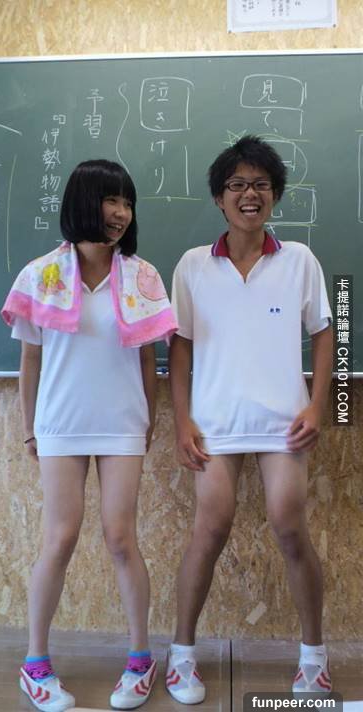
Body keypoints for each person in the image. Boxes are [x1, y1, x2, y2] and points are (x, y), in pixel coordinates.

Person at [1, 159, 177, 712]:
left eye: (127, 202)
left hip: (122, 423)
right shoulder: (41, 275)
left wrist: (148, 419)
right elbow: (31, 359)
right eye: (110, 200)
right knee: (59, 538)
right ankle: (35, 664)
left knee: (121, 538)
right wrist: (29, 427)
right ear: (82, 202)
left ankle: (140, 659)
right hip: (60, 423)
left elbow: (148, 359)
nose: (121, 212)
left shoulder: (142, 276)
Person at [167, 136, 333, 704]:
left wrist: (322, 405)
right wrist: (181, 420)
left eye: (261, 184)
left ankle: (313, 659)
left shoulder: (300, 260)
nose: (249, 194)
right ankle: (181, 656)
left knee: (289, 525)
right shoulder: (192, 265)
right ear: (219, 198)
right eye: (237, 185)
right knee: (209, 529)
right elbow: (180, 349)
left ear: (275, 195)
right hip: (214, 423)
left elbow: (328, 331)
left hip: (284, 422)